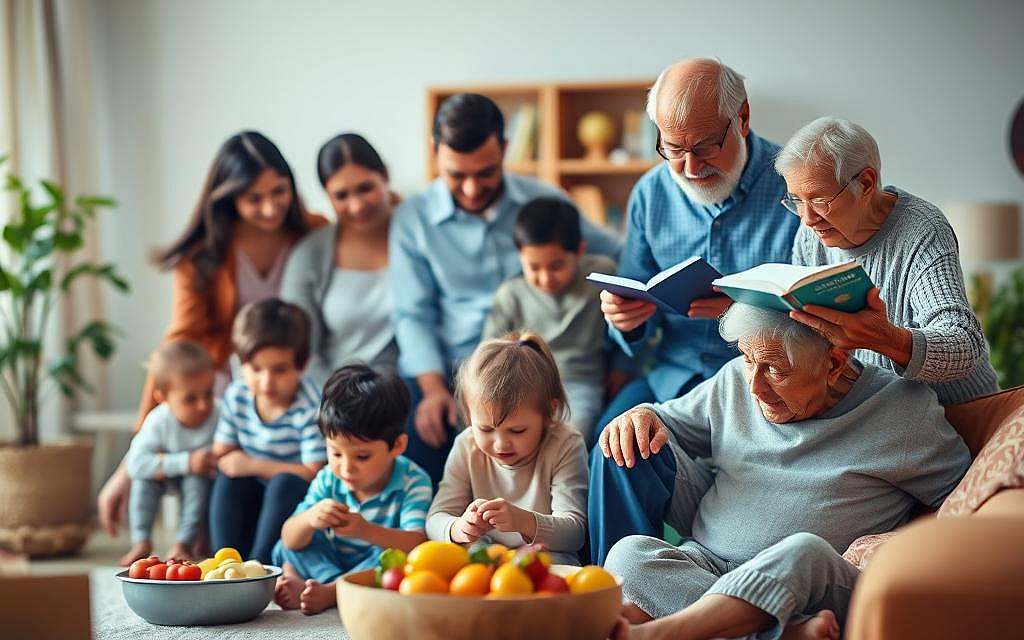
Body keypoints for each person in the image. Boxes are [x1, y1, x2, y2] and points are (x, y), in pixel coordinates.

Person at [590, 303, 970, 640]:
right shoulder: (736, 379)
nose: (754, 386)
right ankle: (778, 633)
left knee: (803, 548)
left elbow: (965, 499)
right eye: (747, 359)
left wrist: (896, 545)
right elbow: (666, 419)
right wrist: (641, 413)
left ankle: (670, 632)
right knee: (628, 554)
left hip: (810, 582)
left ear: (834, 364)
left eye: (774, 370)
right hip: (707, 562)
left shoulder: (903, 412)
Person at [97, 131, 326, 539]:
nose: (271, 207)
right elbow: (179, 349)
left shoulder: (313, 232)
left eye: (279, 191)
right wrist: (129, 464)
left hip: (296, 375)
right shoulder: (204, 255)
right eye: (254, 198)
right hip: (229, 377)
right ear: (227, 198)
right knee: (200, 415)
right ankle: (202, 539)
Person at [390, 93, 621, 483]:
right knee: (415, 428)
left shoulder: (544, 202)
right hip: (454, 367)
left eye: (485, 173)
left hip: (540, 367)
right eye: (456, 174)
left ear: (506, 149)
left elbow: (618, 257)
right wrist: (433, 390)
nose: (470, 188)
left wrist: (624, 362)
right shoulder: (413, 219)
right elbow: (413, 313)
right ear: (435, 152)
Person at [597, 57, 800, 432]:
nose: (690, 168)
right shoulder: (650, 193)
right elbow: (634, 295)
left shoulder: (796, 185)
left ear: (743, 118)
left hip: (764, 383)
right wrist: (625, 322)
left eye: (706, 147)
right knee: (607, 449)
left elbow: (824, 314)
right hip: (672, 376)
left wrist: (746, 313)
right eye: (673, 149)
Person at [775, 116, 998, 405]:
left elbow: (964, 344)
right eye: (797, 200)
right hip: (882, 411)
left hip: (956, 410)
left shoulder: (922, 230)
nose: (807, 218)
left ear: (866, 183)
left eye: (819, 200)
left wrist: (885, 338)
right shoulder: (810, 234)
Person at [273, 364, 432, 615]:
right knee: (288, 542)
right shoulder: (328, 478)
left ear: (397, 446)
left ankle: (330, 591)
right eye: (335, 453)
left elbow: (417, 543)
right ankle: (332, 583)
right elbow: (290, 537)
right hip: (330, 562)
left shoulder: (413, 481)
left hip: (372, 564)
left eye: (362, 456)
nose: (346, 469)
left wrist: (364, 530)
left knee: (399, 559)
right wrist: (310, 519)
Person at [426, 332, 589, 566]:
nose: (501, 444)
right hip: (485, 561)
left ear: (549, 413)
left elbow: (574, 534)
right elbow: (435, 519)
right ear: (468, 416)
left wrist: (522, 521)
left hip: (546, 561)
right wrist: (458, 528)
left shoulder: (565, 443)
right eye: (485, 429)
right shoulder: (467, 444)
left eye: (517, 430)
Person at [483, 197, 627, 444]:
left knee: (571, 437)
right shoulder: (511, 294)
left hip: (580, 385)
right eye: (534, 267)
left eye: (556, 266)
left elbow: (629, 325)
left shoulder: (602, 277)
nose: (546, 277)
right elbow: (488, 353)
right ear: (519, 257)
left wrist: (624, 367)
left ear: (579, 251)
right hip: (524, 386)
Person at [210, 299, 326, 564]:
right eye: (256, 369)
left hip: (291, 503)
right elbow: (223, 452)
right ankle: (224, 560)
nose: (266, 382)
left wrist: (252, 464)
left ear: (302, 364)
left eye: (279, 370)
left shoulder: (309, 405)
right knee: (229, 478)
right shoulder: (238, 395)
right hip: (251, 498)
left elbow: (312, 472)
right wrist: (240, 466)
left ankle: (260, 565)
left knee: (283, 483)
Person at [281, 133, 399, 386]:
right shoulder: (309, 255)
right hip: (336, 394)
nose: (356, 206)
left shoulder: (415, 235)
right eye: (341, 196)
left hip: (410, 391)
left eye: (365, 188)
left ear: (385, 176)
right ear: (327, 196)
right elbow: (301, 353)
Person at [121, 341, 219, 566]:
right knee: (143, 482)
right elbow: (136, 463)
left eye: (208, 393)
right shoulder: (158, 420)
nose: (203, 405)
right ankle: (141, 541)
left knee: (196, 481)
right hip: (166, 474)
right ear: (162, 397)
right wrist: (186, 462)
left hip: (203, 480)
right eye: (190, 399)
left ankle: (184, 543)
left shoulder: (219, 414)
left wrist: (199, 465)